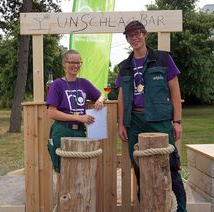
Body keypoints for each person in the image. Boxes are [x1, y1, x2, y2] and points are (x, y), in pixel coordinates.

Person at [116, 20, 187, 211]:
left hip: (160, 120)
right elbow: (121, 98)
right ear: (128, 39)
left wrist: (177, 121)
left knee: (170, 165)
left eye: (138, 33)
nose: (135, 37)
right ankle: (147, 204)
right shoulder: (124, 66)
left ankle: (180, 207)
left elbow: (175, 91)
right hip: (135, 122)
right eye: (131, 35)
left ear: (145, 34)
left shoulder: (163, 59)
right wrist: (121, 123)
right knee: (139, 165)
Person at [46, 49, 105, 210]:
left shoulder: (84, 83)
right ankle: (61, 207)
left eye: (78, 62)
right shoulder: (57, 84)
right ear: (64, 64)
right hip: (61, 131)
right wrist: (79, 117)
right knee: (62, 175)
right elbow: (51, 112)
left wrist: (99, 100)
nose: (75, 65)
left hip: (79, 132)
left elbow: (102, 94)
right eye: (71, 62)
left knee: (79, 173)